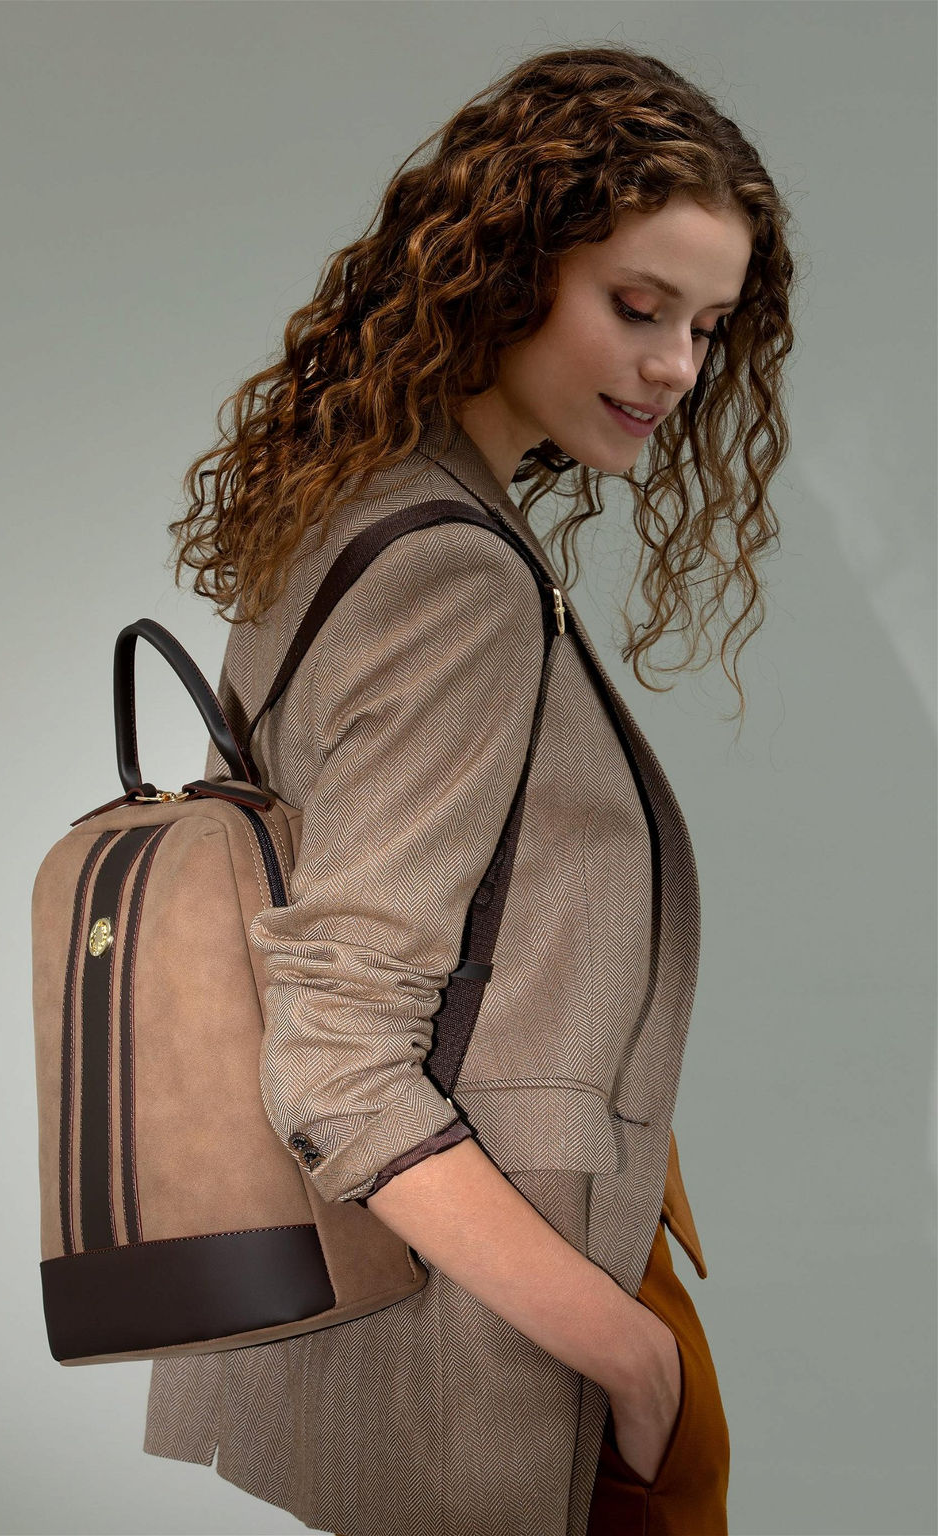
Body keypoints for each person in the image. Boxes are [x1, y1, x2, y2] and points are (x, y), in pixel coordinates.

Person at [142, 42, 796, 1536]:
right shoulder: (449, 571)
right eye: (637, 307)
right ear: (505, 272)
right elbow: (335, 1060)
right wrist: (632, 1359)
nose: (679, 368)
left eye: (707, 327)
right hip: (525, 1310)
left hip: (467, 1292)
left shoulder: (363, 509)